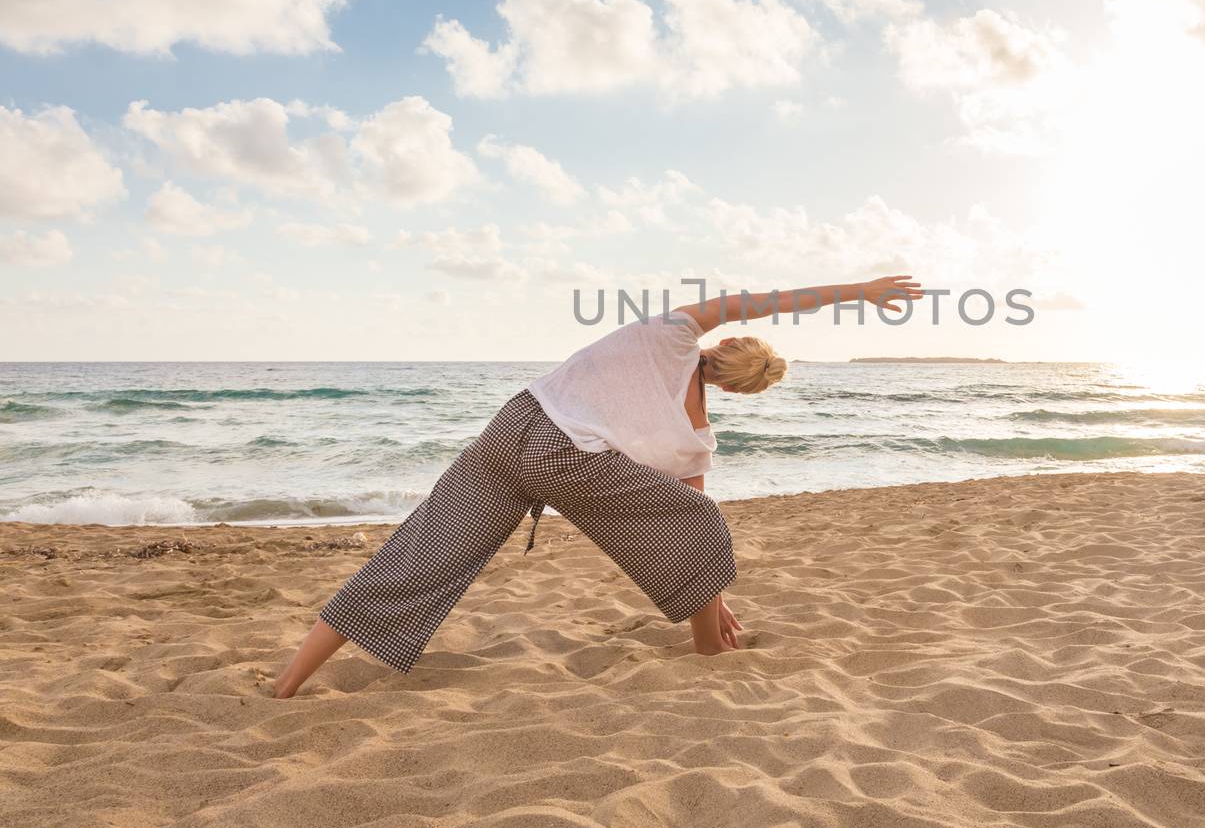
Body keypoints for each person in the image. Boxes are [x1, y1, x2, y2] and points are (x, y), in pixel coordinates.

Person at [271, 274, 924, 697]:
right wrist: (712, 600)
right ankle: (707, 647)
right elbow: (689, 515)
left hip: (512, 424)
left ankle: (291, 681)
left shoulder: (672, 327)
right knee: (698, 524)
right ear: (736, 387)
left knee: (417, 555)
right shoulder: (694, 433)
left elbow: (768, 300)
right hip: (564, 461)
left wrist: (857, 290)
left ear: (725, 343)